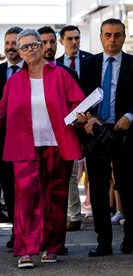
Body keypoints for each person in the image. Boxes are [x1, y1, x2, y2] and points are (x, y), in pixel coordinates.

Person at [0, 29, 85, 268]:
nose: (29, 50)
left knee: (55, 198)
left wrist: (80, 114)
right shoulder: (14, 81)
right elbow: (1, 112)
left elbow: (77, 101)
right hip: (24, 146)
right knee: (26, 198)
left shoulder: (60, 74)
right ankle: (26, 250)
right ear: (18, 51)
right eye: (24, 47)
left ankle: (51, 247)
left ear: (41, 46)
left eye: (33, 45)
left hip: (56, 145)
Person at [80, 18, 133, 256]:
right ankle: (103, 243)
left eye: (117, 35)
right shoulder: (89, 64)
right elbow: (82, 97)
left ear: (124, 36)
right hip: (98, 132)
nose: (112, 39)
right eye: (108, 35)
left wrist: (130, 116)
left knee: (128, 187)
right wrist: (88, 118)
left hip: (126, 132)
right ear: (101, 37)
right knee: (99, 192)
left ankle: (130, 240)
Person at [37, 25, 83, 236]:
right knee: (36, 192)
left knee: (60, 191)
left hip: (62, 141)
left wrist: (79, 117)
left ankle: (56, 239)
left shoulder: (67, 73)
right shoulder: (25, 75)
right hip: (34, 142)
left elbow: (78, 104)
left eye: (52, 42)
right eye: (43, 42)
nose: (48, 46)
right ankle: (37, 235)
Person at [57, 25, 93, 231]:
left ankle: (96, 207)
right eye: (69, 38)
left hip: (89, 122)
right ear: (62, 41)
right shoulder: (57, 65)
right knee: (71, 172)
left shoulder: (90, 61)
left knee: (92, 170)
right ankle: (74, 215)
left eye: (77, 38)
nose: (74, 42)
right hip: (67, 125)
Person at [0, 26, 24, 248]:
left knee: (29, 188)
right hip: (2, 141)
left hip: (29, 139)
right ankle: (16, 231)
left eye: (15, 43)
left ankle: (31, 230)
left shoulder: (32, 71)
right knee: (10, 188)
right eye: (8, 43)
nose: (10, 47)